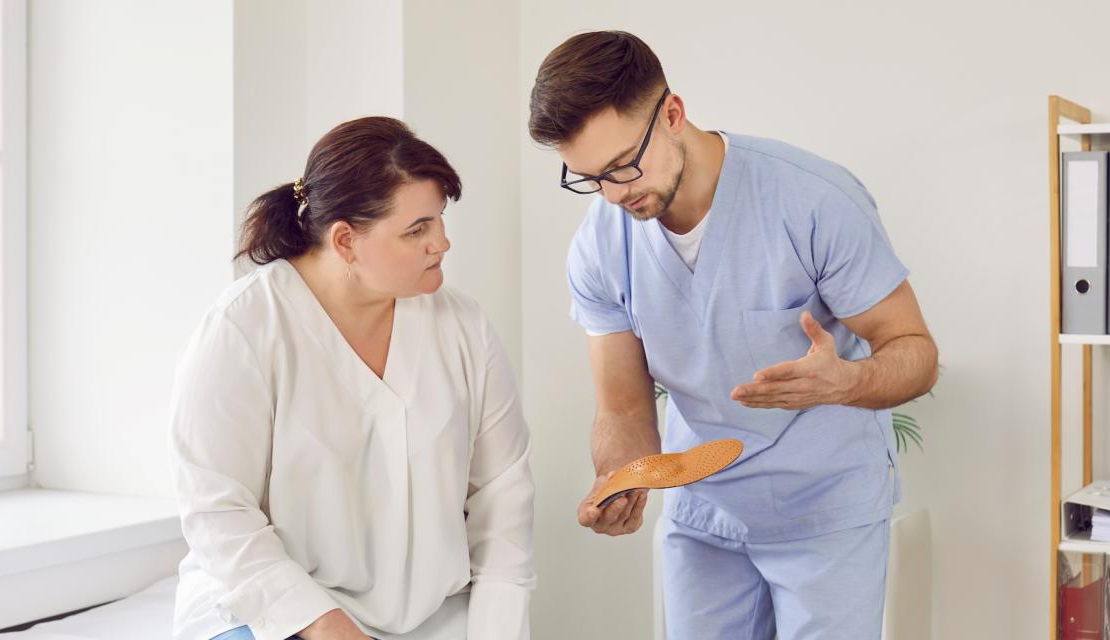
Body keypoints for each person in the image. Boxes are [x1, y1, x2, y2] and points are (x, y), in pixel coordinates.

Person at [528, 31, 938, 639]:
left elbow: (916, 354)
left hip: (824, 511)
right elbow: (621, 406)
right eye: (590, 178)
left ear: (673, 113)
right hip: (703, 516)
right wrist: (623, 478)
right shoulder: (600, 243)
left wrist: (846, 381)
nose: (614, 194)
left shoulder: (813, 200)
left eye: (622, 166)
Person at [170, 117, 535, 640]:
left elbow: (503, 495)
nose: (443, 243)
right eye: (417, 229)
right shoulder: (244, 330)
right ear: (345, 241)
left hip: (429, 616)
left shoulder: (463, 327)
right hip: (269, 611)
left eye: (439, 220)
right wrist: (324, 626)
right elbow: (218, 512)